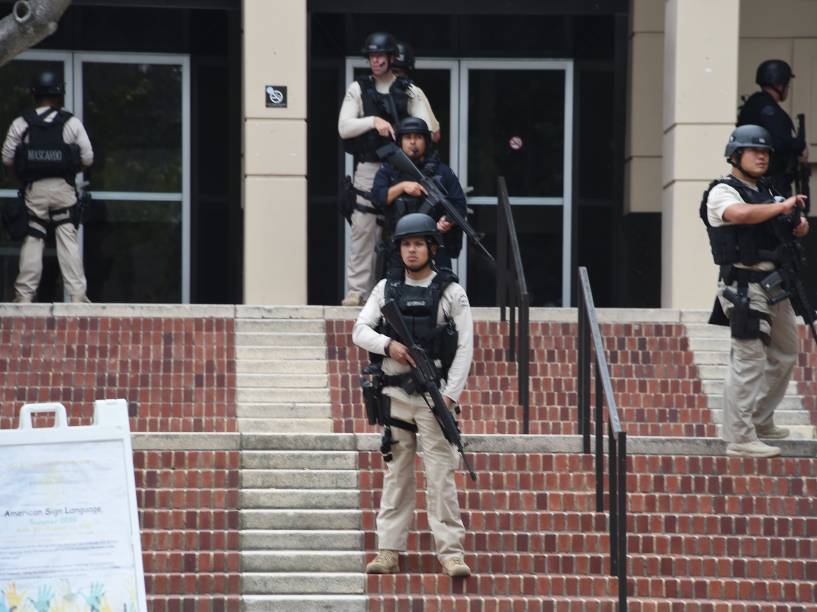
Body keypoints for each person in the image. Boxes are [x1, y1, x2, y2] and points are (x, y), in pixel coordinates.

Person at [353, 212, 473, 577]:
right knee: (397, 473)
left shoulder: (452, 291)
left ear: (432, 248)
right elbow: (360, 331)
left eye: (418, 243)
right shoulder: (384, 289)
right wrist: (390, 345)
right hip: (394, 393)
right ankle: (388, 548)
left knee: (440, 474)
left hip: (433, 395)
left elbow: (465, 347)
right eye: (406, 244)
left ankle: (451, 553)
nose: (412, 250)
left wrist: (449, 396)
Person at [701, 124, 809, 458]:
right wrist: (780, 208)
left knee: (786, 355)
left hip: (776, 284)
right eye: (754, 151)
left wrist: (796, 221)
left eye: (766, 152)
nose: (762, 157)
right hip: (744, 285)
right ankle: (740, 437)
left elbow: (793, 226)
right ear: (736, 155)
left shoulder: (767, 190)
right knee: (748, 360)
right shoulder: (723, 191)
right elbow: (739, 215)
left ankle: (761, 420)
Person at [338, 32, 433, 306]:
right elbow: (344, 127)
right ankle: (357, 291)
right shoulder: (358, 88)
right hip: (369, 167)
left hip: (402, 167)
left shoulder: (408, 90)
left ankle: (408, 290)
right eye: (372, 56)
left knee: (408, 226)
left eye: (381, 56)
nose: (376, 61)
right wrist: (373, 121)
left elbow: (426, 127)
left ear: (392, 58)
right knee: (364, 228)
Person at [2, 71, 93, 303]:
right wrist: (70, 172)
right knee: (67, 237)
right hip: (63, 188)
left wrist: (22, 180)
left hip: (35, 189)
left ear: (35, 94)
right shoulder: (71, 122)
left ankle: (23, 296)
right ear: (59, 94)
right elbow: (88, 158)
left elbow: (7, 159)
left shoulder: (22, 123)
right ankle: (77, 296)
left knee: (34, 236)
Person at [371, 116, 466, 280]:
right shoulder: (388, 170)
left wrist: (447, 221)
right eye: (408, 137)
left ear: (426, 141)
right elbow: (377, 198)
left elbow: (459, 206)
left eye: (418, 137)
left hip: (434, 247)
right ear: (400, 141)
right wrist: (402, 187)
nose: (413, 142)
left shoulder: (443, 172)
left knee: (440, 292)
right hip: (397, 247)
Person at [737, 60, 809, 197]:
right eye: (787, 84)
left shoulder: (758, 104)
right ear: (779, 84)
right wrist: (800, 146)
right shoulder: (768, 109)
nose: (788, 88)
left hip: (764, 180)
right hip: (771, 181)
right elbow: (779, 141)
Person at [391, 41, 441, 144]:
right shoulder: (368, 90)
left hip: (402, 154)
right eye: (391, 71)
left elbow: (434, 136)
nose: (394, 77)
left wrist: (405, 129)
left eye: (398, 72)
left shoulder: (413, 91)